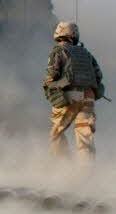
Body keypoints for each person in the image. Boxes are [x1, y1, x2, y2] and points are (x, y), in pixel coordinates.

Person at [43, 20, 104, 161]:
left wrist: (51, 89)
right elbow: (98, 76)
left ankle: (63, 165)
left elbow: (52, 76)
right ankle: (86, 171)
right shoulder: (86, 53)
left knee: (56, 133)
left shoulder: (58, 52)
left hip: (70, 97)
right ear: (74, 35)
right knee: (85, 137)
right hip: (88, 98)